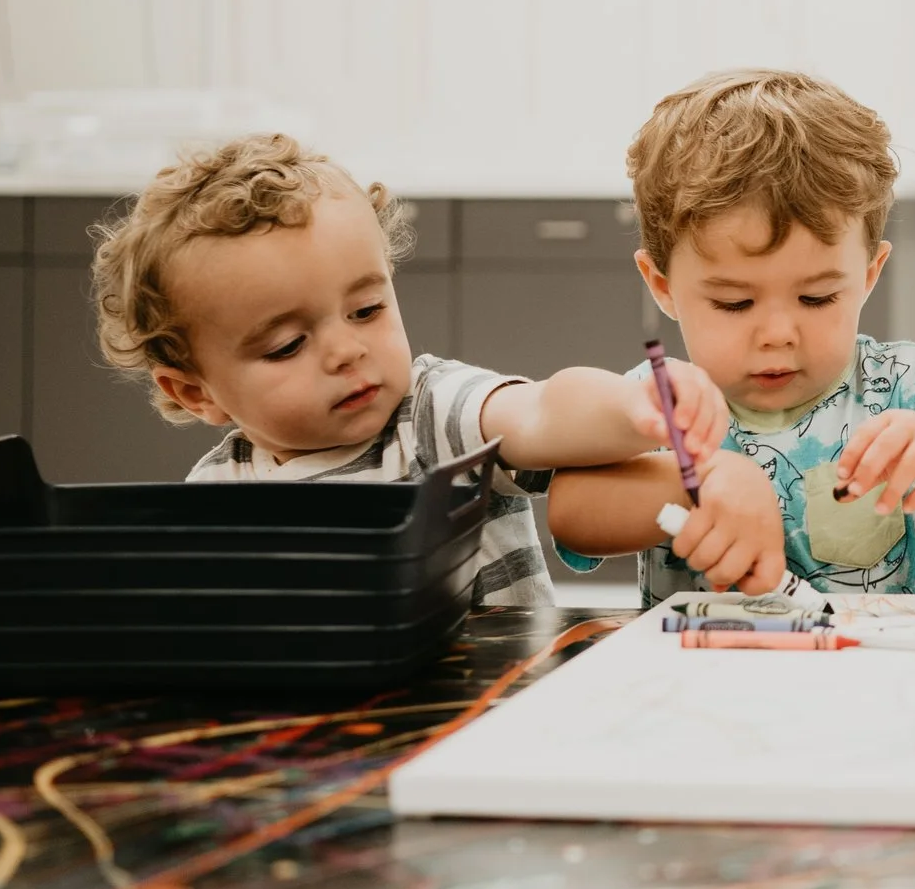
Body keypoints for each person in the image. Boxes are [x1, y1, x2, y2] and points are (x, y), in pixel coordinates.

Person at [90, 134, 727, 608]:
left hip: (482, 724)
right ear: (194, 391)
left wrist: (635, 405)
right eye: (287, 345)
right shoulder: (212, 497)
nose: (345, 351)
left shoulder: (430, 416)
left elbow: (540, 411)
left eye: (366, 310)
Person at [546, 69, 915, 605]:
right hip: (703, 683)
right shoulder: (660, 404)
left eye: (817, 298)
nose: (778, 335)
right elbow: (571, 519)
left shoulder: (913, 390)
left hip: (892, 682)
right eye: (735, 303)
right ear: (662, 286)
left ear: (869, 273)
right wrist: (696, 479)